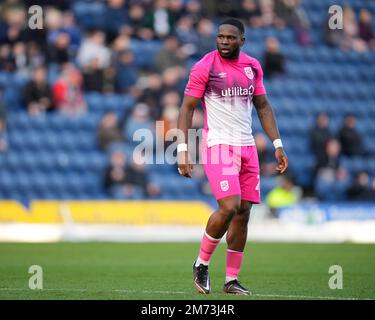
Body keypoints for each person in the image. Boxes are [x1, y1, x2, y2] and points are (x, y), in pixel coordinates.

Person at [177, 19, 288, 295]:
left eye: (230, 37)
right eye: (220, 37)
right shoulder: (205, 67)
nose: (224, 41)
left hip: (247, 147)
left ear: (242, 41)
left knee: (243, 213)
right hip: (218, 145)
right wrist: (183, 149)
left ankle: (231, 280)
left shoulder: (252, 67)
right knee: (229, 206)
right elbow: (186, 108)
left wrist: (277, 143)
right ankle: (201, 264)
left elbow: (263, 106)